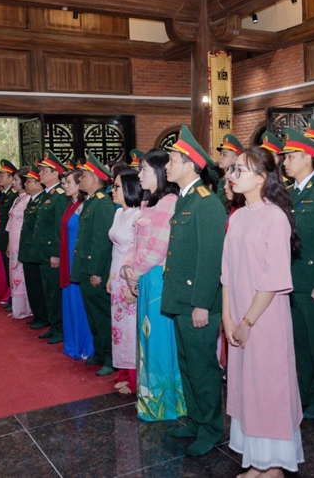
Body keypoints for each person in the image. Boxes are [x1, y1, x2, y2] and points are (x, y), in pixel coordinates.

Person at [222, 147, 303, 477]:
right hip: (238, 313)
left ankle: (274, 467)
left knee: (268, 388)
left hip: (264, 317)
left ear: (261, 178)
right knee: (247, 389)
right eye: (233, 170)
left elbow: (273, 278)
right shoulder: (238, 215)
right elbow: (226, 272)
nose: (232, 175)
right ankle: (256, 461)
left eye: (240, 170)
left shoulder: (274, 216)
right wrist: (228, 318)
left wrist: (247, 321)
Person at [162, 125, 227, 457]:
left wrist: (202, 303)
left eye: (172, 159)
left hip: (198, 303)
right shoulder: (185, 200)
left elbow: (210, 259)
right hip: (180, 300)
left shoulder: (207, 204)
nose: (167, 165)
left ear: (190, 164)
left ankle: (212, 427)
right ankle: (197, 418)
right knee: (188, 364)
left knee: (203, 367)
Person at [121, 148, 186, 421]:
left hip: (158, 280)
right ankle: (150, 400)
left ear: (159, 172)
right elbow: (137, 244)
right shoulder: (149, 203)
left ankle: (167, 403)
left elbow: (158, 249)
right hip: (143, 277)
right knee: (146, 338)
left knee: (159, 340)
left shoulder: (169, 202)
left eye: (144, 169)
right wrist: (127, 269)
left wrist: (133, 270)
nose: (139, 174)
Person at [280, 128, 314, 420]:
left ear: (308, 157)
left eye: (290, 156)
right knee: (300, 341)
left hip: (312, 279)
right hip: (291, 278)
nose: (285, 162)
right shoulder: (290, 192)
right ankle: (303, 390)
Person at [72, 151, 117, 377]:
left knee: (102, 316)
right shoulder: (91, 202)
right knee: (93, 315)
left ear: (96, 178)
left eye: (84, 176)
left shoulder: (103, 204)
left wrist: (96, 272)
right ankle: (99, 352)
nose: (80, 179)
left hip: (95, 271)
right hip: (85, 269)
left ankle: (110, 357)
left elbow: (101, 242)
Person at [108, 169, 141, 394]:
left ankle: (134, 378)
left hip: (129, 278)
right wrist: (111, 276)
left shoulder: (139, 215)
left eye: (117, 186)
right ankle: (123, 372)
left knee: (131, 329)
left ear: (129, 188)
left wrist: (132, 284)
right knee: (118, 328)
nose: (113, 190)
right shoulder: (119, 212)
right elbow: (115, 249)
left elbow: (137, 251)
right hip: (117, 275)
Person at [34, 151, 70, 345]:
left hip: (52, 254)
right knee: (47, 290)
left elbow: (59, 227)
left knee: (55, 292)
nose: (40, 174)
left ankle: (61, 328)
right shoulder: (47, 195)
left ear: (56, 173)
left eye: (44, 171)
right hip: (43, 253)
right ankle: (54, 325)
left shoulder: (60, 196)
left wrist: (56, 253)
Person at [59, 168, 95, 361]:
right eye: (63, 183)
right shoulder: (71, 205)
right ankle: (73, 342)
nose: (65, 186)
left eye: (69, 183)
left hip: (78, 260)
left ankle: (85, 345)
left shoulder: (84, 205)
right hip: (68, 258)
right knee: (70, 301)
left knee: (80, 303)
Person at [18, 165, 50, 330]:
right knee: (32, 284)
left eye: (29, 182)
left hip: (36, 250)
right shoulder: (33, 200)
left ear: (38, 184)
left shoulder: (43, 199)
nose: (25, 185)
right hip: (28, 249)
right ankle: (38, 314)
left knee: (38, 286)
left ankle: (43, 316)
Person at [5, 168, 32, 319]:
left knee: (21, 274)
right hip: (13, 241)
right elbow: (11, 222)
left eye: (16, 180)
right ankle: (17, 308)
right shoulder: (17, 199)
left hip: (22, 242)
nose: (14, 183)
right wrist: (9, 243)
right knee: (14, 273)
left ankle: (25, 309)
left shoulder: (28, 199)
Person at [0, 160, 19, 305]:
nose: (0, 177)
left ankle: (13, 298)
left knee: (12, 269)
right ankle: (11, 298)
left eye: (3, 175)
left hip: (10, 238)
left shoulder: (14, 195)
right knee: (7, 268)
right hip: (4, 236)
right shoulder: (5, 194)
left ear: (11, 177)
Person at [215, 133, 244, 203]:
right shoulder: (224, 177)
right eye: (220, 154)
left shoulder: (236, 178)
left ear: (235, 159)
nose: (220, 157)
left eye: (224, 155)